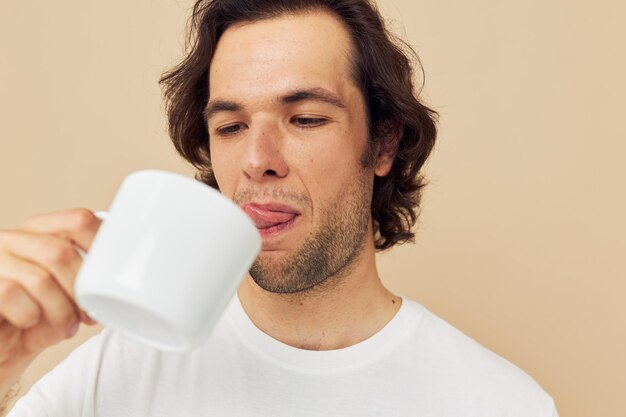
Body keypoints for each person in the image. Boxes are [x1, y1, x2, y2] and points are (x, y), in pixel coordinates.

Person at [0, 0, 559, 415]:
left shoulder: (499, 403)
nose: (256, 160)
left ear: (383, 144)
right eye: (231, 126)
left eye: (307, 119)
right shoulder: (114, 370)